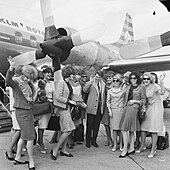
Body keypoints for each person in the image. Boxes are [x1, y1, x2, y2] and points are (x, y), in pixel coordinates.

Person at [6, 56, 38, 170]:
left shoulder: (28, 84)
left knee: (24, 137)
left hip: (28, 112)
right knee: (30, 137)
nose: (29, 80)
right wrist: (11, 67)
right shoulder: (17, 82)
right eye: (27, 77)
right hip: (22, 112)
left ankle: (18, 157)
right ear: (23, 74)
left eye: (31, 78)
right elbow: (8, 81)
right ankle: (31, 161)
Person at [50, 65, 77, 160]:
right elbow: (57, 96)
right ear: (68, 74)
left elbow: (70, 95)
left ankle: (64, 149)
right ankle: (56, 148)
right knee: (68, 130)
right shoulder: (62, 82)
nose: (73, 76)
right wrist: (69, 101)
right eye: (72, 74)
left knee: (66, 130)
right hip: (63, 109)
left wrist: (77, 101)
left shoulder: (67, 83)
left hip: (67, 109)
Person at [136, 72, 165, 158]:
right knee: (143, 128)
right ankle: (142, 146)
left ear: (151, 79)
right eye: (144, 79)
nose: (145, 80)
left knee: (153, 129)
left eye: (147, 79)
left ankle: (153, 149)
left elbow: (162, 92)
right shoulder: (143, 87)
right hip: (147, 108)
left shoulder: (155, 86)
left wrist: (161, 81)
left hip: (156, 109)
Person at [119, 72, 146, 158]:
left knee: (123, 129)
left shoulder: (141, 87)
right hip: (127, 107)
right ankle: (131, 148)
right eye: (131, 78)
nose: (133, 80)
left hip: (134, 108)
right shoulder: (128, 86)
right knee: (130, 130)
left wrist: (134, 101)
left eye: (134, 78)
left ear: (138, 79)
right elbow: (122, 93)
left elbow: (144, 101)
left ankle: (125, 149)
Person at [83, 70, 105, 148]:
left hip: (99, 107)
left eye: (99, 77)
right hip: (92, 107)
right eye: (96, 76)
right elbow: (85, 90)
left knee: (96, 125)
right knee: (90, 125)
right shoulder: (91, 83)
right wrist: (90, 82)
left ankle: (94, 140)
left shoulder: (103, 84)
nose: (97, 78)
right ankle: (88, 141)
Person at [36, 66, 54, 154]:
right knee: (33, 125)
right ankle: (31, 140)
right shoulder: (39, 83)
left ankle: (40, 141)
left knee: (43, 126)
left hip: (48, 106)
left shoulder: (52, 83)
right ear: (43, 74)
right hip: (39, 105)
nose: (49, 74)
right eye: (47, 72)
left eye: (50, 73)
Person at [107, 73, 124, 152]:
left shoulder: (123, 91)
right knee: (114, 129)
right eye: (114, 80)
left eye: (117, 80)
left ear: (120, 82)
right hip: (113, 110)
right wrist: (109, 111)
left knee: (120, 129)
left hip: (120, 110)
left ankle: (121, 144)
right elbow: (108, 102)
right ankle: (114, 144)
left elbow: (124, 101)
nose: (115, 82)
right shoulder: (109, 91)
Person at [101, 70, 114, 147]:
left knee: (113, 124)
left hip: (113, 106)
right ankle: (109, 138)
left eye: (110, 78)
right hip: (106, 106)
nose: (109, 79)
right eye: (108, 78)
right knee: (106, 124)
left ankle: (113, 139)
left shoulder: (115, 85)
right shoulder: (105, 85)